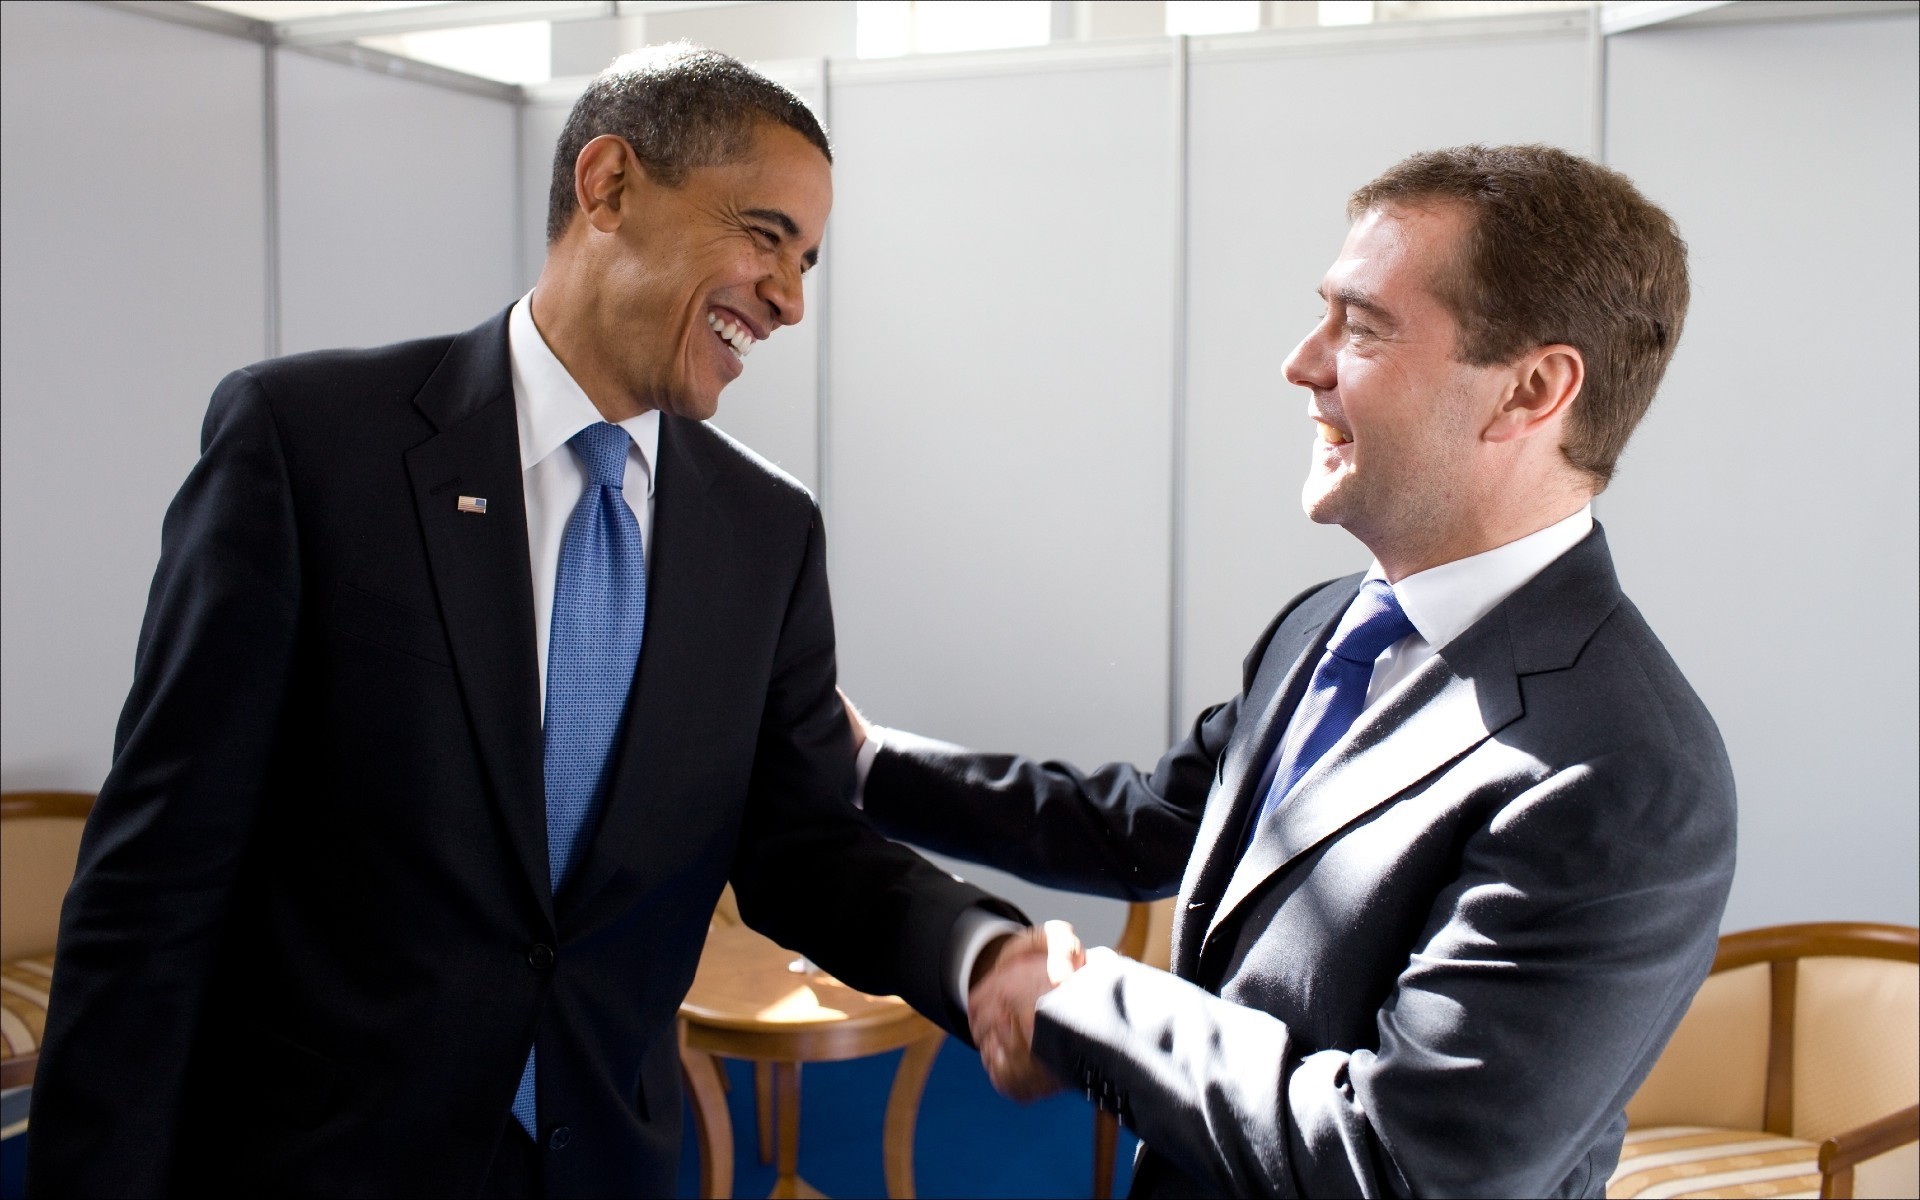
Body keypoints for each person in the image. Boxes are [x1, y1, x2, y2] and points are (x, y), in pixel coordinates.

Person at [25, 45, 1037, 1198]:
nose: (792, 299)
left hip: (603, 1162)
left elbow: (805, 851)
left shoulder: (768, 533)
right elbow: (155, 882)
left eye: (807, 261)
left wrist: (980, 953)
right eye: (764, 236)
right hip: (315, 1162)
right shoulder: (308, 449)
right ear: (608, 186)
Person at [844, 144, 1737, 1197]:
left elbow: (1403, 1163)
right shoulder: (1324, 624)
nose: (1302, 362)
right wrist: (864, 764)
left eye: (1361, 327)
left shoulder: (1626, 772)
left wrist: (1083, 1006)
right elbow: (1153, 824)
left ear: (1530, 390)